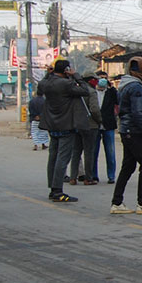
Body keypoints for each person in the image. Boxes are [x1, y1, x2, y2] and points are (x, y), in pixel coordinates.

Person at [111, 56, 142, 215]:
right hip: (135, 132)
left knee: (128, 166)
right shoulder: (136, 87)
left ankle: (117, 202)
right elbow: (138, 112)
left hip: (126, 131)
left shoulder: (124, 85)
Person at [38, 60, 90, 203]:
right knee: (63, 158)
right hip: (66, 124)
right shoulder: (67, 84)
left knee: (53, 157)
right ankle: (58, 190)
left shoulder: (46, 83)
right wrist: (76, 76)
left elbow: (41, 85)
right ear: (66, 70)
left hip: (52, 125)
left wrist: (47, 74)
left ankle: (52, 188)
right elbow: (85, 91)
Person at [69, 76, 102, 186]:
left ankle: (73, 177)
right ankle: (88, 178)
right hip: (90, 125)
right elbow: (94, 109)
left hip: (76, 125)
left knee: (76, 152)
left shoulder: (75, 92)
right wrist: (99, 121)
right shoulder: (91, 92)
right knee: (89, 152)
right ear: (90, 80)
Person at [93, 70, 118, 183]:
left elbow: (118, 100)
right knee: (94, 152)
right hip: (95, 125)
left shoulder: (111, 92)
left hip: (108, 125)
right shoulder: (92, 92)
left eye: (105, 78)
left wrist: (111, 87)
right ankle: (94, 175)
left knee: (110, 152)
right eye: (100, 78)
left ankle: (111, 176)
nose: (103, 80)